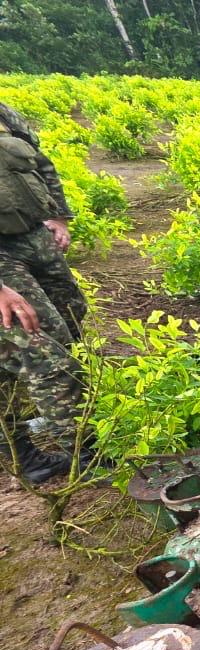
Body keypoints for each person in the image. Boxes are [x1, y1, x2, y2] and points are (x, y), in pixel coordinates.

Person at [0, 102, 88, 483]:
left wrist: (57, 215)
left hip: (33, 234)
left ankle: (60, 423)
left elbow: (39, 161)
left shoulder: (3, 111)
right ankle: (86, 453)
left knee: (70, 318)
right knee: (42, 349)